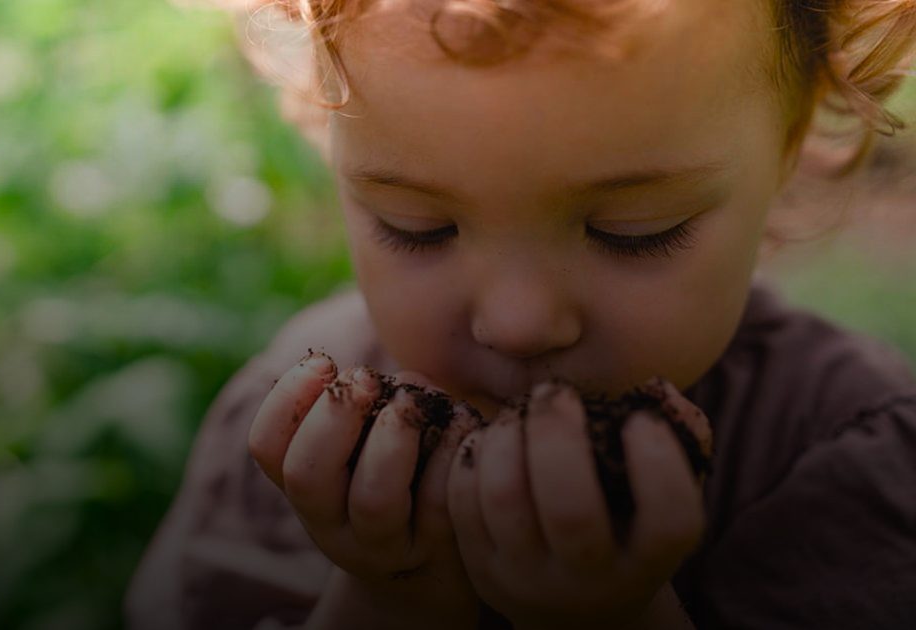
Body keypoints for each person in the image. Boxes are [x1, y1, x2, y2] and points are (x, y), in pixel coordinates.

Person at [125, 0, 916, 627]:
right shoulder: (302, 436)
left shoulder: (852, 459)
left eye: (631, 232)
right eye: (417, 228)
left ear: (794, 138)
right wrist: (389, 602)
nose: (518, 323)